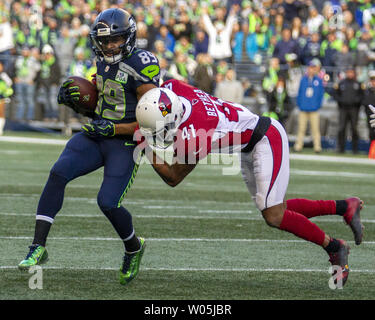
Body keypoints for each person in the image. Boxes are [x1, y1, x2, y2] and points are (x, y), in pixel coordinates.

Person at [135, 79, 364, 288]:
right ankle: (345, 207)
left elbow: (173, 177)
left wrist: (144, 145)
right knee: (274, 210)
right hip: (247, 143)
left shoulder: (196, 135)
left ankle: (335, 246)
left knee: (274, 215)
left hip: (265, 138)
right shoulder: (172, 88)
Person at [18, 8, 160, 286]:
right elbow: (102, 95)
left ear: (128, 38)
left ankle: (134, 246)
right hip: (98, 131)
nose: (109, 46)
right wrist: (78, 99)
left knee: (107, 202)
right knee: (58, 173)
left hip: (126, 140)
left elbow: (153, 123)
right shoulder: (103, 59)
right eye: (104, 41)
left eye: (115, 40)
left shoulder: (143, 64)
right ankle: (38, 246)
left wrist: (114, 128)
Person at [294, 59, 325, 153]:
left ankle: (317, 147)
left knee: (315, 129)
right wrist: (300, 104)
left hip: (314, 109)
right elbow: (299, 93)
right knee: (301, 128)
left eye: (313, 68)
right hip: (303, 108)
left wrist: (317, 105)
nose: (312, 70)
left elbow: (320, 95)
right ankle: (298, 146)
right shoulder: (303, 80)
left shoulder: (318, 81)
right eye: (310, 68)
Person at [331, 67, 363, 154]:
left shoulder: (358, 83)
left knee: (354, 129)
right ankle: (341, 148)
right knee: (341, 128)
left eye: (351, 72)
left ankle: (355, 149)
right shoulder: (341, 83)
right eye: (348, 72)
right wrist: (340, 101)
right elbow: (335, 94)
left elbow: (362, 95)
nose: (350, 74)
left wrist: (356, 102)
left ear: (354, 73)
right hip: (343, 109)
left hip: (354, 109)